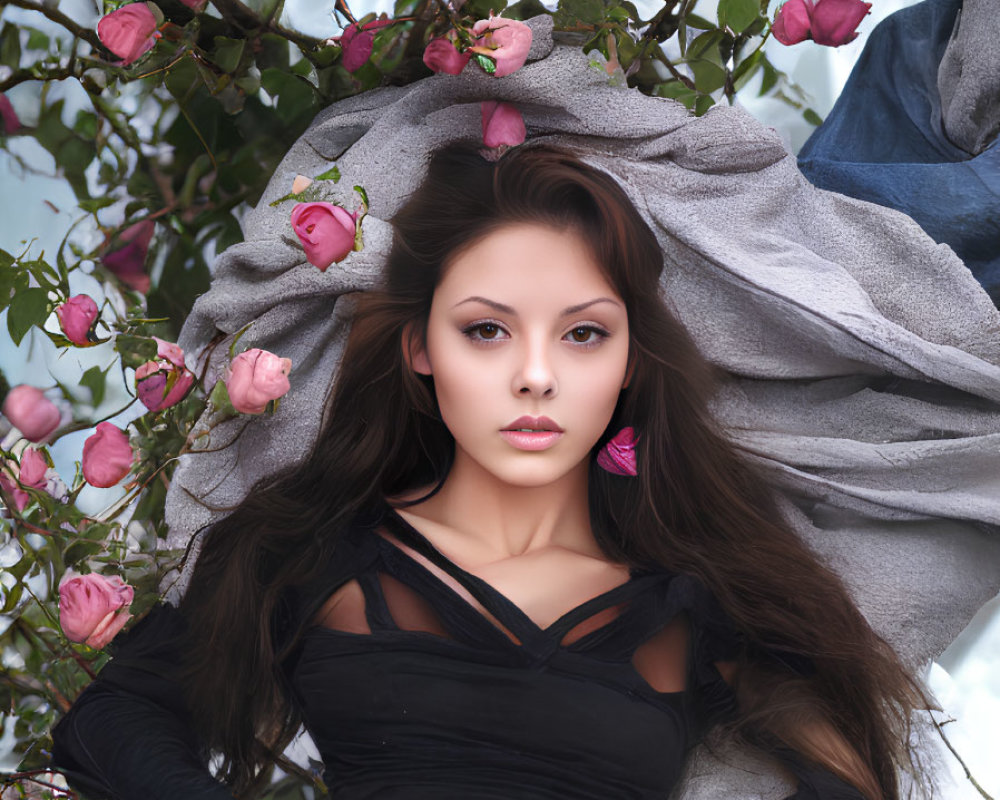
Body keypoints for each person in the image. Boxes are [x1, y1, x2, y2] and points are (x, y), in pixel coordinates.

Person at [49, 141, 929, 800]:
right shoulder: (312, 548)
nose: (536, 374)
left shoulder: (699, 601)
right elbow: (114, 717)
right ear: (419, 348)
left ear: (629, 365)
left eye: (583, 333)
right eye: (486, 329)